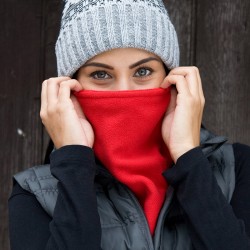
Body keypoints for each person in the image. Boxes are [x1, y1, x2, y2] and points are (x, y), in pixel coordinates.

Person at [8, 0, 250, 249]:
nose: (124, 91)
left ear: (172, 78)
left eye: (143, 72)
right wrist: (74, 170)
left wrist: (188, 156)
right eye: (100, 75)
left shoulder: (237, 168)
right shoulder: (35, 195)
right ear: (69, 89)